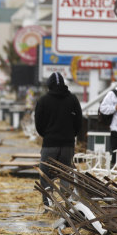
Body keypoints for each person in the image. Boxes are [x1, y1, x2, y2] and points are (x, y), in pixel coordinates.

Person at [34, 72, 82, 208]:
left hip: (50, 144)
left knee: (45, 175)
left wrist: (47, 135)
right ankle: (65, 206)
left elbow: (38, 124)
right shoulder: (72, 99)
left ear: (49, 85)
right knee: (66, 174)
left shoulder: (43, 100)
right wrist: (71, 135)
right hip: (68, 145)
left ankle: (48, 205)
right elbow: (79, 122)